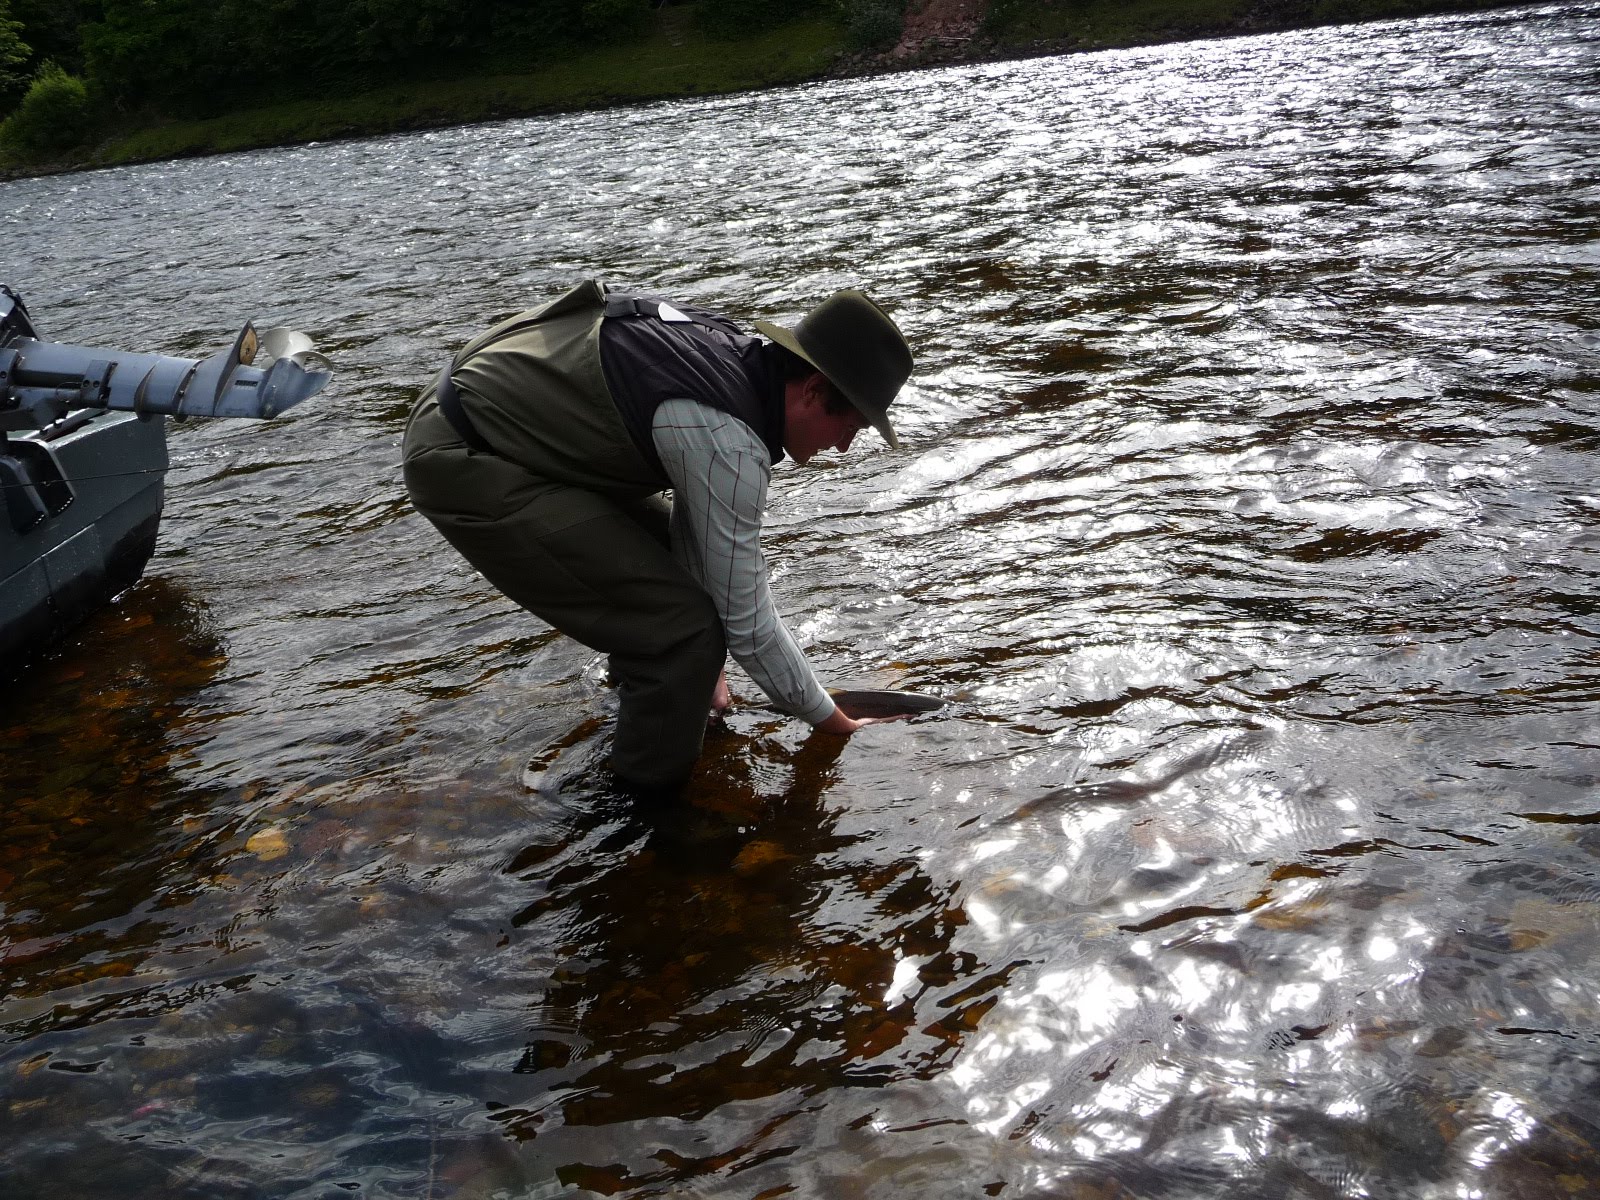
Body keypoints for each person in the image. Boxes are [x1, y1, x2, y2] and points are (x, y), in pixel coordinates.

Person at [401, 279, 914, 795]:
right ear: (812, 391)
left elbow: (704, 555)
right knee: (680, 629)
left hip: (508, 423)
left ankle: (655, 700)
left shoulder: (732, 364)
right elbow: (747, 623)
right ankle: (637, 807)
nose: (845, 447)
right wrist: (831, 721)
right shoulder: (726, 441)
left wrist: (706, 670)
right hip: (467, 454)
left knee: (682, 610)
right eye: (852, 427)